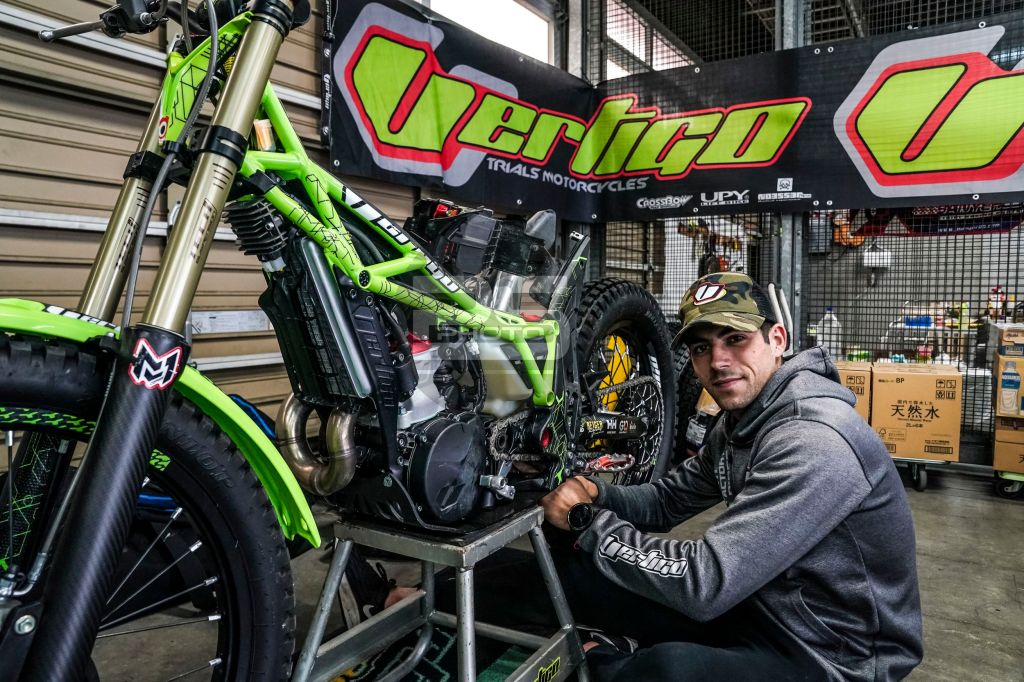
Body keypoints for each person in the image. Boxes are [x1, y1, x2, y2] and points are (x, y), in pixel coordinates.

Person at [540, 271, 923, 680]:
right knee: (571, 575)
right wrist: (596, 493)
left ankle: (603, 662)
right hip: (761, 605)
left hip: (834, 653)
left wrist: (587, 522)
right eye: (701, 348)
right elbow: (668, 500)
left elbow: (705, 583)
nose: (718, 362)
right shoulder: (743, 422)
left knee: (666, 671)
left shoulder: (813, 439)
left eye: (736, 338)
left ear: (777, 340)